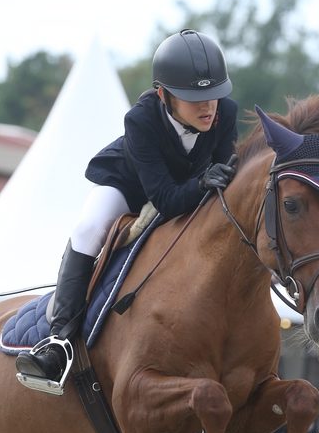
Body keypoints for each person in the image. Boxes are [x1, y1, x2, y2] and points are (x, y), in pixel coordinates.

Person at [15, 28, 238, 391]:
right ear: (163, 94)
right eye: (193, 98)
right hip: (130, 187)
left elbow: (225, 176)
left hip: (193, 189)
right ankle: (58, 341)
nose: (208, 107)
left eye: (213, 95)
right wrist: (201, 183)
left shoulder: (224, 111)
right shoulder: (141, 119)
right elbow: (164, 198)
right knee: (88, 228)